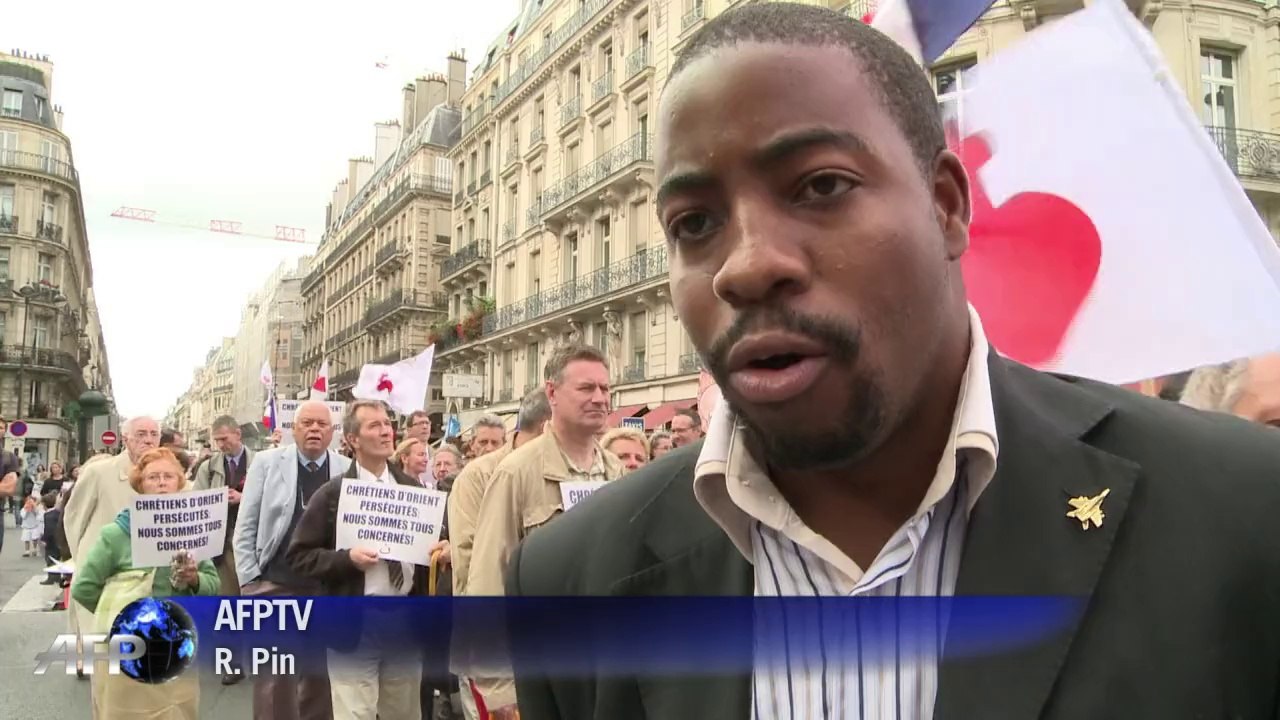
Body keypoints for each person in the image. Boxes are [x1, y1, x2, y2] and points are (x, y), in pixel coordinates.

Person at [500, 5, 1280, 719]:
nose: (745, 266)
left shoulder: (1244, 510)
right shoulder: (571, 579)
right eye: (694, 222)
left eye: (820, 186)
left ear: (946, 205)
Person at [71, 447, 220, 719]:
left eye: (168, 476)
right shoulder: (116, 534)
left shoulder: (194, 531)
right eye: (153, 477)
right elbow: (84, 587)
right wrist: (117, 611)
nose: (161, 482)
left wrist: (194, 579)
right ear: (140, 485)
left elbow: (213, 585)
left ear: (179, 482)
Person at [234, 400, 347, 720]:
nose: (314, 429)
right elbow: (246, 526)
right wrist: (250, 581)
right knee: (274, 680)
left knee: (320, 677)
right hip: (275, 583)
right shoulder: (267, 463)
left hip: (324, 588)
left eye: (321, 424)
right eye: (307, 423)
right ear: (293, 429)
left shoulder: (344, 468)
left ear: (332, 432)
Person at [64, 416, 158, 679]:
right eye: (141, 434)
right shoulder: (99, 472)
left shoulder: (164, 474)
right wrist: (81, 554)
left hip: (139, 564)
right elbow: (74, 517)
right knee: (87, 613)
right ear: (125, 438)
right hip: (100, 558)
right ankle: (83, 662)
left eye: (153, 434)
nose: (148, 440)